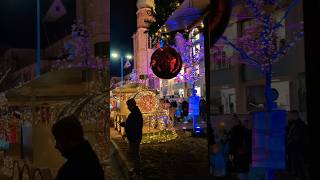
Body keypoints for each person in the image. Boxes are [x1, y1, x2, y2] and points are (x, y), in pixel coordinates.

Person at [52, 115, 104, 180]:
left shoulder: (72, 170)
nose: (56, 146)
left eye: (58, 140)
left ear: (68, 139)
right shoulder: (88, 159)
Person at [120, 98, 143, 178]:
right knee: (134, 153)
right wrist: (126, 124)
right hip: (134, 136)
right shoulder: (135, 112)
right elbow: (131, 124)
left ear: (131, 105)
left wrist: (125, 125)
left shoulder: (135, 113)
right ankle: (135, 169)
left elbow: (134, 126)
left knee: (135, 154)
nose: (127, 107)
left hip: (135, 137)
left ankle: (137, 172)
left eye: (127, 105)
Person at [286, 110, 307, 180]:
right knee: (297, 166)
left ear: (294, 115)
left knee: (299, 166)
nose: (288, 117)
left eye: (289, 115)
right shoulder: (293, 123)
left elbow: (296, 138)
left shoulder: (299, 124)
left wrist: (289, 143)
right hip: (294, 149)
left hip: (297, 149)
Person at [229, 114, 250, 180]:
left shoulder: (238, 129)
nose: (233, 121)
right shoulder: (241, 129)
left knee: (242, 172)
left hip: (240, 153)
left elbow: (233, 142)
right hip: (241, 153)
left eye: (234, 120)